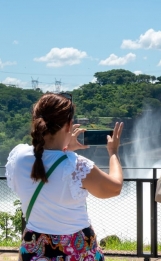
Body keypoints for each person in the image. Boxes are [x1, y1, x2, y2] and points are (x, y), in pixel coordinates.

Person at [4, 92, 124, 261]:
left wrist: (65, 150)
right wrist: (113, 152)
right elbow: (115, 187)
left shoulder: (18, 157)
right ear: (69, 125)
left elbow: (50, 166)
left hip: (34, 249)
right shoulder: (77, 166)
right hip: (77, 249)